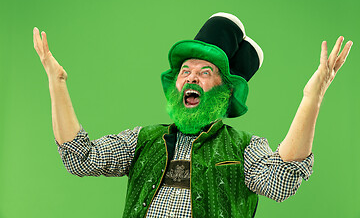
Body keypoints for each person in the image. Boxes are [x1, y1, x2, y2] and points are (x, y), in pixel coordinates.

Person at [33, 13, 353, 218]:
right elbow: (81, 158)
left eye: (205, 71)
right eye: (185, 70)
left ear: (224, 92)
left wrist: (312, 98)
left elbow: (280, 180)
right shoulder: (142, 141)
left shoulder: (246, 148)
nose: (191, 76)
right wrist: (57, 82)